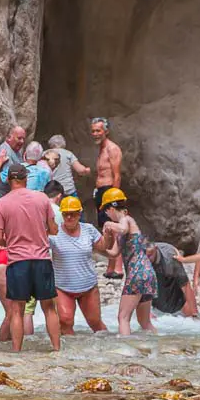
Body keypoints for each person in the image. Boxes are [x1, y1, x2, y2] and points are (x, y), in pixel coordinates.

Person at [0, 163, 60, 352]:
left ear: (9, 180)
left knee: (17, 310)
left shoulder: (1, 204)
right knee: (49, 308)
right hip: (42, 259)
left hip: (17, 261)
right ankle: (57, 349)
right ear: (26, 178)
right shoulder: (42, 198)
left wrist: (11, 235)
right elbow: (53, 229)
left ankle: (17, 352)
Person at [97, 188, 157, 336]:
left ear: (111, 208)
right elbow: (114, 253)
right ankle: (158, 346)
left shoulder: (126, 219)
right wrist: (97, 248)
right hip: (147, 274)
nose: (106, 215)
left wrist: (109, 225)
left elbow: (123, 229)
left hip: (136, 274)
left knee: (123, 318)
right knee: (145, 322)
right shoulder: (122, 228)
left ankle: (126, 348)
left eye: (106, 211)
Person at [49, 197, 107, 335]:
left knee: (95, 322)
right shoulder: (54, 233)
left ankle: (108, 349)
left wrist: (110, 236)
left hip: (88, 286)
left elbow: (104, 247)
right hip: (63, 287)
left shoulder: (89, 229)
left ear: (79, 214)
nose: (69, 217)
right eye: (66, 214)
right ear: (61, 214)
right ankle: (71, 352)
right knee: (65, 320)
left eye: (73, 213)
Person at [22, 180, 66, 334]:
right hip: (46, 258)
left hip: (26, 257)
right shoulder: (58, 212)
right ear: (59, 196)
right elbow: (59, 236)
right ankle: (57, 340)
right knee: (50, 307)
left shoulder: (31, 207)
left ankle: (28, 340)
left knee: (27, 308)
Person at [91, 117, 124, 279]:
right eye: (93, 131)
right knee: (107, 229)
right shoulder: (101, 150)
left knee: (115, 229)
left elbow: (117, 175)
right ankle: (111, 266)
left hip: (110, 191)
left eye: (98, 130)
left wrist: (114, 197)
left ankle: (118, 267)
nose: (95, 134)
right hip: (102, 191)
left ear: (106, 131)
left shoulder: (112, 149)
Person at [146, 242, 199, 317]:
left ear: (156, 249)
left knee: (180, 301)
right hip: (152, 284)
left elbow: (185, 285)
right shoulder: (139, 257)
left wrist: (195, 313)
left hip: (169, 275)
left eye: (150, 255)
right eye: (145, 256)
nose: (147, 259)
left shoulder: (170, 256)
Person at [47, 134, 91, 200]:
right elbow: (80, 170)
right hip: (68, 190)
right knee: (75, 209)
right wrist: (87, 170)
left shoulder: (45, 154)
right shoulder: (68, 154)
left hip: (52, 192)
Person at [0, 126, 26, 200]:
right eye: (19, 138)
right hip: (2, 196)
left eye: (23, 139)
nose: (22, 141)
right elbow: (12, 177)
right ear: (9, 138)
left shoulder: (16, 149)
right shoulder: (5, 151)